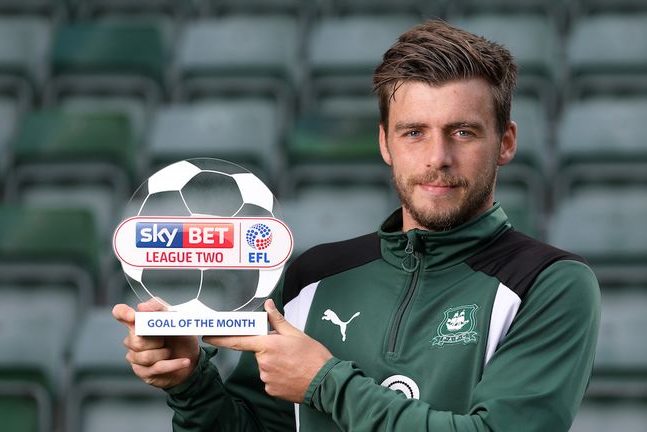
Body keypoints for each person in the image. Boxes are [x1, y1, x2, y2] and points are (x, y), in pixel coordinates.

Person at [113, 20, 600, 431]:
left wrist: (326, 383)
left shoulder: (549, 283)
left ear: (506, 142)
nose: (438, 158)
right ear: (386, 143)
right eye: (414, 133)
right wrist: (190, 382)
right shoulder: (313, 277)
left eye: (464, 132)